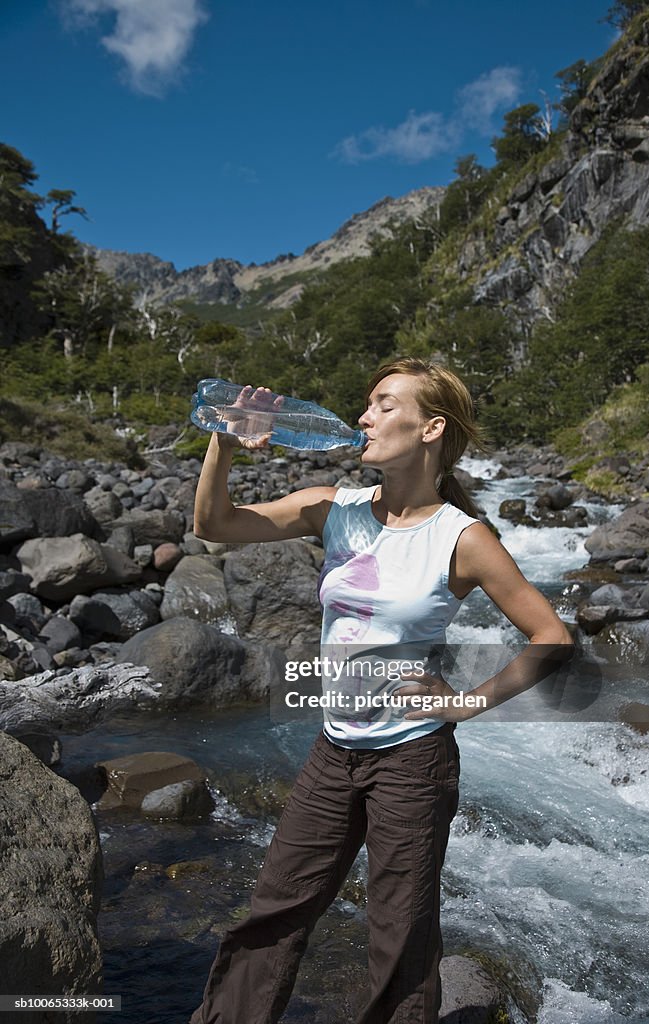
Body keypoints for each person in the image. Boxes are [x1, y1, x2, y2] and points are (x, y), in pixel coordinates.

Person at [189, 357, 573, 1024]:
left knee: (398, 938)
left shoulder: (463, 537)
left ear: (431, 428)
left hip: (413, 761)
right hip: (335, 749)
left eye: (382, 405)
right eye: (366, 405)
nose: (363, 417)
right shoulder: (331, 508)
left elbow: (551, 637)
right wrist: (223, 440)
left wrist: (469, 701)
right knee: (272, 917)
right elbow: (214, 525)